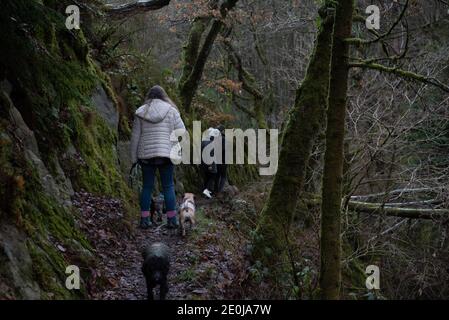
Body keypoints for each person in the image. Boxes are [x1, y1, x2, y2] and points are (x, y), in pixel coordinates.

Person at [130, 85, 185, 229]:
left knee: (147, 186)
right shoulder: (172, 111)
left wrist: (133, 159)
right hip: (167, 154)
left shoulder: (141, 112)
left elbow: (135, 137)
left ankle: (144, 219)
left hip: (146, 155)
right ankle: (172, 220)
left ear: (149, 96)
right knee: (168, 186)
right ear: (163, 96)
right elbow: (181, 131)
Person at [201, 128, 219, 198]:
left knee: (206, 177)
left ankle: (205, 190)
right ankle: (207, 191)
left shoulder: (203, 141)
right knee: (212, 176)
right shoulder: (212, 143)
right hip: (210, 163)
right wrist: (210, 165)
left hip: (203, 163)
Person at [215, 125, 227, 194]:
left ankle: (216, 190)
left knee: (217, 175)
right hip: (224, 160)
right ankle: (220, 190)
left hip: (217, 160)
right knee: (223, 176)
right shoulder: (224, 139)